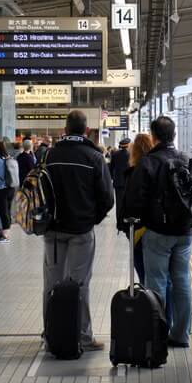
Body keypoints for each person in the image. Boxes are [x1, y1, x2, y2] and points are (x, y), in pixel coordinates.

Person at [124, 116, 192, 349]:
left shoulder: (148, 163)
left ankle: (157, 334)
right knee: (182, 280)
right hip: (185, 232)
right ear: (174, 134)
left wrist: (144, 220)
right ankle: (181, 335)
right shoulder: (189, 160)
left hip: (158, 232)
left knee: (157, 282)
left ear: (154, 136)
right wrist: (191, 218)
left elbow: (134, 199)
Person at [40, 110, 114, 352]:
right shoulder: (93, 157)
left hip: (53, 230)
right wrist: (92, 218)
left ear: (65, 128)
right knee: (80, 284)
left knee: (52, 283)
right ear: (85, 131)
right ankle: (82, 336)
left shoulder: (50, 154)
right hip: (81, 231)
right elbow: (107, 197)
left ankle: (50, 334)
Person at [120, 133, 154, 284]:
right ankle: (162, 306)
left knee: (142, 271)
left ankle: (148, 301)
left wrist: (126, 228)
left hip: (138, 230)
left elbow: (129, 204)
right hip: (157, 228)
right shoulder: (157, 168)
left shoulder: (133, 173)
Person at [109, 137, 131, 210]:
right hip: (128, 182)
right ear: (128, 145)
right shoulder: (130, 155)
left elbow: (111, 168)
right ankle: (125, 220)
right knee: (128, 203)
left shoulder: (115, 154)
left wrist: (112, 178)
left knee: (119, 203)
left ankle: (119, 220)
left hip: (118, 182)